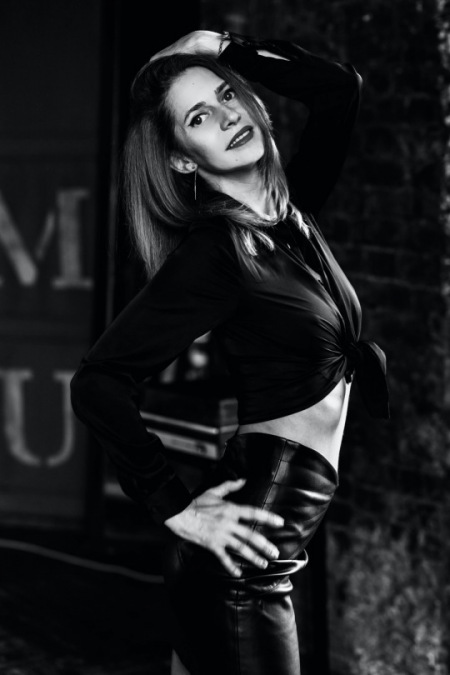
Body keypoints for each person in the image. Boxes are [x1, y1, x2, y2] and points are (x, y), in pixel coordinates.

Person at [70, 29, 390, 675]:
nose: (226, 116)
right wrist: (176, 508)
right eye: (198, 118)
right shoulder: (216, 254)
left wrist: (223, 47)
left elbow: (339, 90)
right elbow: (98, 381)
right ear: (184, 161)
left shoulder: (291, 214)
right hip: (242, 572)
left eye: (225, 96)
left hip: (254, 555)